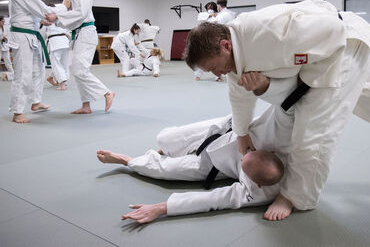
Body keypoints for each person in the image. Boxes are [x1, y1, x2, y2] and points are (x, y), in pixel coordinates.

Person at [184, 0, 370, 220]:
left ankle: (296, 196)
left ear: (224, 46)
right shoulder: (235, 55)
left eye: (214, 68)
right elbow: (239, 95)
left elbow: (330, 29)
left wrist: (308, 80)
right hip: (342, 49)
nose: (217, 74)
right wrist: (241, 135)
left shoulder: (269, 31)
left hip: (344, 47)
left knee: (312, 130)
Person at [97, 75, 296, 222]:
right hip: (226, 129)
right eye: (250, 152)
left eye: (244, 162)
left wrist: (162, 208)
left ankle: (126, 160)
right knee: (164, 139)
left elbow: (215, 199)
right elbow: (292, 98)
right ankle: (169, 150)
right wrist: (264, 83)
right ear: (271, 151)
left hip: (213, 165)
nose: (244, 153)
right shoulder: (279, 134)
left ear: (256, 183)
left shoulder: (259, 193)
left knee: (165, 171)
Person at [45, 0, 115, 114]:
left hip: (86, 32)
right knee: (78, 71)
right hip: (76, 34)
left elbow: (81, 13)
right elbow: (66, 21)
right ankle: (86, 105)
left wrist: (57, 16)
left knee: (79, 70)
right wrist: (54, 20)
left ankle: (107, 92)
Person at [8, 0, 69, 123]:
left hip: (31, 36)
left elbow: (31, 13)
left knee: (38, 70)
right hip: (22, 37)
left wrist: (42, 21)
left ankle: (35, 102)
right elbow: (44, 9)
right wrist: (64, 7)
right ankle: (17, 111)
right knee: (23, 74)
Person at [195, 2, 219, 81]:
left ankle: (218, 76)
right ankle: (198, 75)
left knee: (216, 58)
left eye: (211, 6)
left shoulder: (218, 15)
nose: (210, 7)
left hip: (214, 38)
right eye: (208, 6)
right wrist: (210, 15)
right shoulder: (202, 14)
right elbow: (199, 18)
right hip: (204, 38)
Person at [45, 21, 71, 90]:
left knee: (56, 64)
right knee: (63, 63)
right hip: (64, 40)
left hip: (55, 41)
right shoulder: (62, 14)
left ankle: (62, 84)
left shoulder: (47, 16)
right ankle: (53, 78)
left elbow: (43, 31)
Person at [0, 16, 14, 81]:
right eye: (2, 21)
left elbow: (9, 36)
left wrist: (6, 38)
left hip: (5, 46)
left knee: (8, 61)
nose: (3, 22)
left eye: (4, 21)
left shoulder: (6, 28)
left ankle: (12, 74)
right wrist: (1, 38)